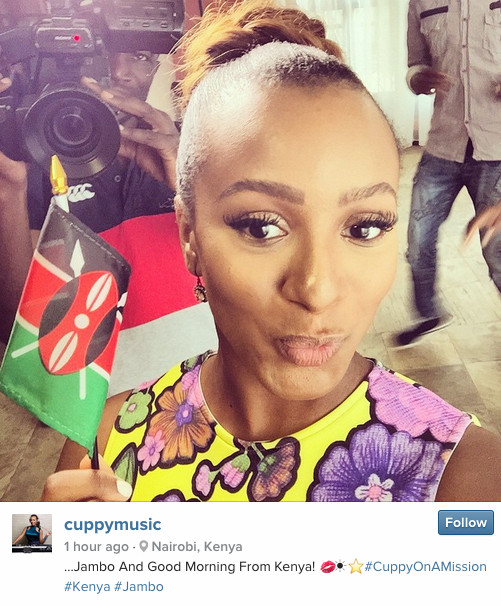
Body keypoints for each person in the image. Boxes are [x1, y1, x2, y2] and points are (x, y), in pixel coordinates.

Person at [41, 1, 501, 503]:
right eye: (262, 227)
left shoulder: (467, 480)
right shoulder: (103, 448)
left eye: (365, 227)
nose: (317, 290)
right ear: (189, 236)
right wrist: (49, 549)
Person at [0, 49, 217, 394]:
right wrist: (9, 191)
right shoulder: (35, 158)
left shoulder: (191, 146)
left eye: (140, 56)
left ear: (158, 63)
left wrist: (193, 190)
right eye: (100, 54)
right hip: (83, 397)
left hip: (198, 389)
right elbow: (19, 328)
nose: (119, 71)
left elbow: (249, 276)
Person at [395, 0, 501, 347]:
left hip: (497, 148)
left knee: (497, 250)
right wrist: (418, 79)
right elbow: (415, 64)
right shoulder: (421, 3)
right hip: (444, 144)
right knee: (418, 238)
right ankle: (428, 313)